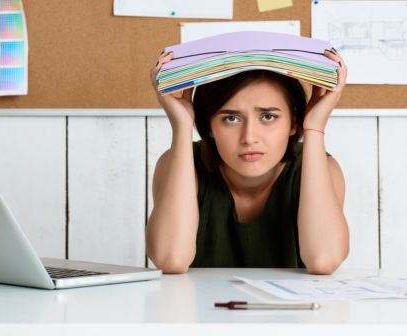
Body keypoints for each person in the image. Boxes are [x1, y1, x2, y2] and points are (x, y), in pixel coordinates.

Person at [147, 48, 349, 275]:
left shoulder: (322, 167)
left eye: (268, 117)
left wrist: (314, 127)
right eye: (231, 118)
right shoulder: (177, 163)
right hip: (202, 310)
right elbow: (170, 259)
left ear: (293, 121)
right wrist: (182, 127)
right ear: (209, 124)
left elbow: (324, 260)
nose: (249, 137)